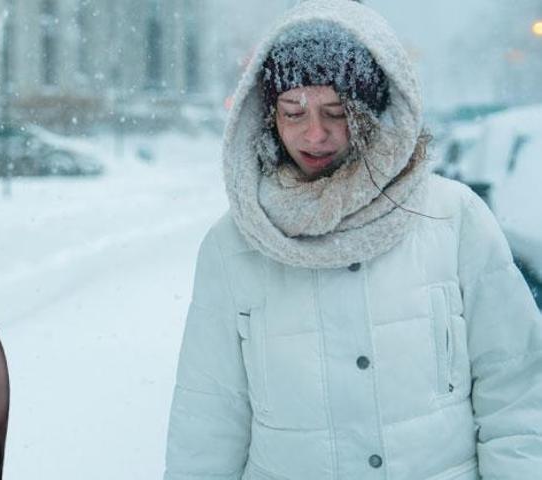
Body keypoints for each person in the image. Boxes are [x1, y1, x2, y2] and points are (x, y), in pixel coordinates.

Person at [164, 1, 542, 479]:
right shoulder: (233, 246)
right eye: (293, 112)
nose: (314, 134)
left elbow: (516, 389)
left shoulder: (453, 217)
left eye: (336, 112)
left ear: (371, 113)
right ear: (269, 117)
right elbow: (208, 419)